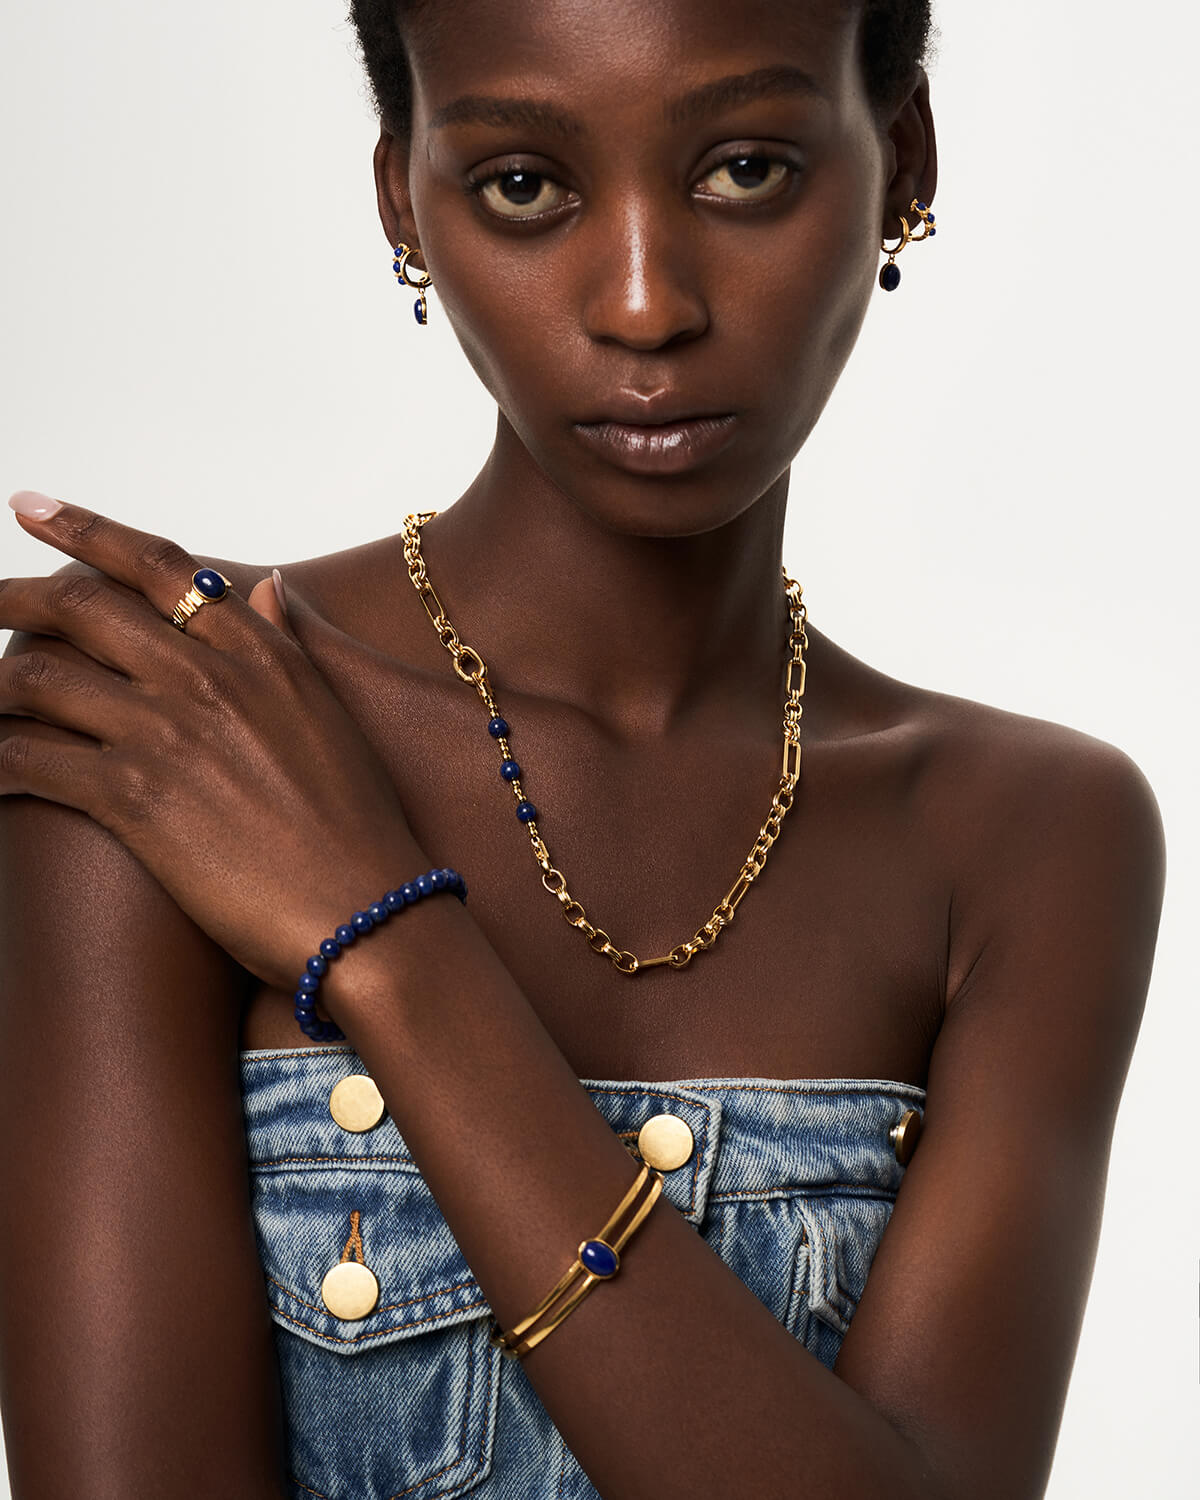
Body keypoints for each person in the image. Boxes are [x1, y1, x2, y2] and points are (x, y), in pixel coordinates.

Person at [0, 0, 1166, 1496]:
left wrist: (391, 955)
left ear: (904, 164)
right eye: (526, 187)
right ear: (400, 199)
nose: (641, 304)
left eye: (743, 168)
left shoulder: (1029, 839)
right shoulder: (179, 733)